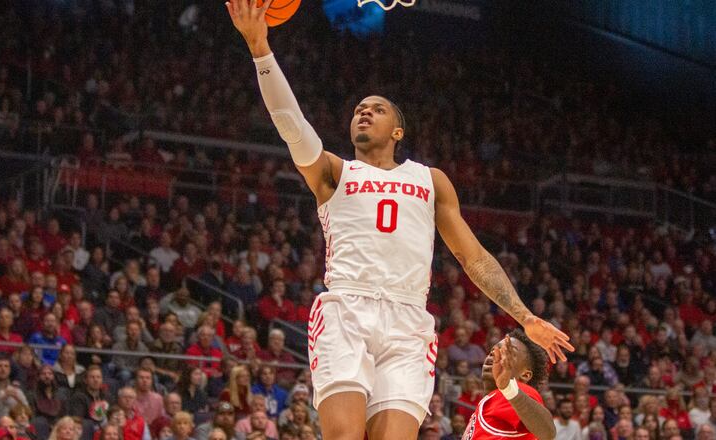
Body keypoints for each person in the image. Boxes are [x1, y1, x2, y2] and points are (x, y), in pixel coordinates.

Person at [226, 3, 573, 438]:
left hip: (409, 318)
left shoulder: (430, 180)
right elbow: (291, 125)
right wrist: (260, 49)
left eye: (376, 108)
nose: (363, 112)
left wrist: (524, 316)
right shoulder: (335, 173)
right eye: (357, 110)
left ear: (398, 131)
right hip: (348, 308)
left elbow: (473, 257)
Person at [459, 330, 555, 440]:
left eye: (507, 352)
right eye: (493, 350)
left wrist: (508, 388)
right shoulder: (492, 399)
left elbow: (547, 432)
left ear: (525, 374)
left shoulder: (517, 391)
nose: (495, 354)